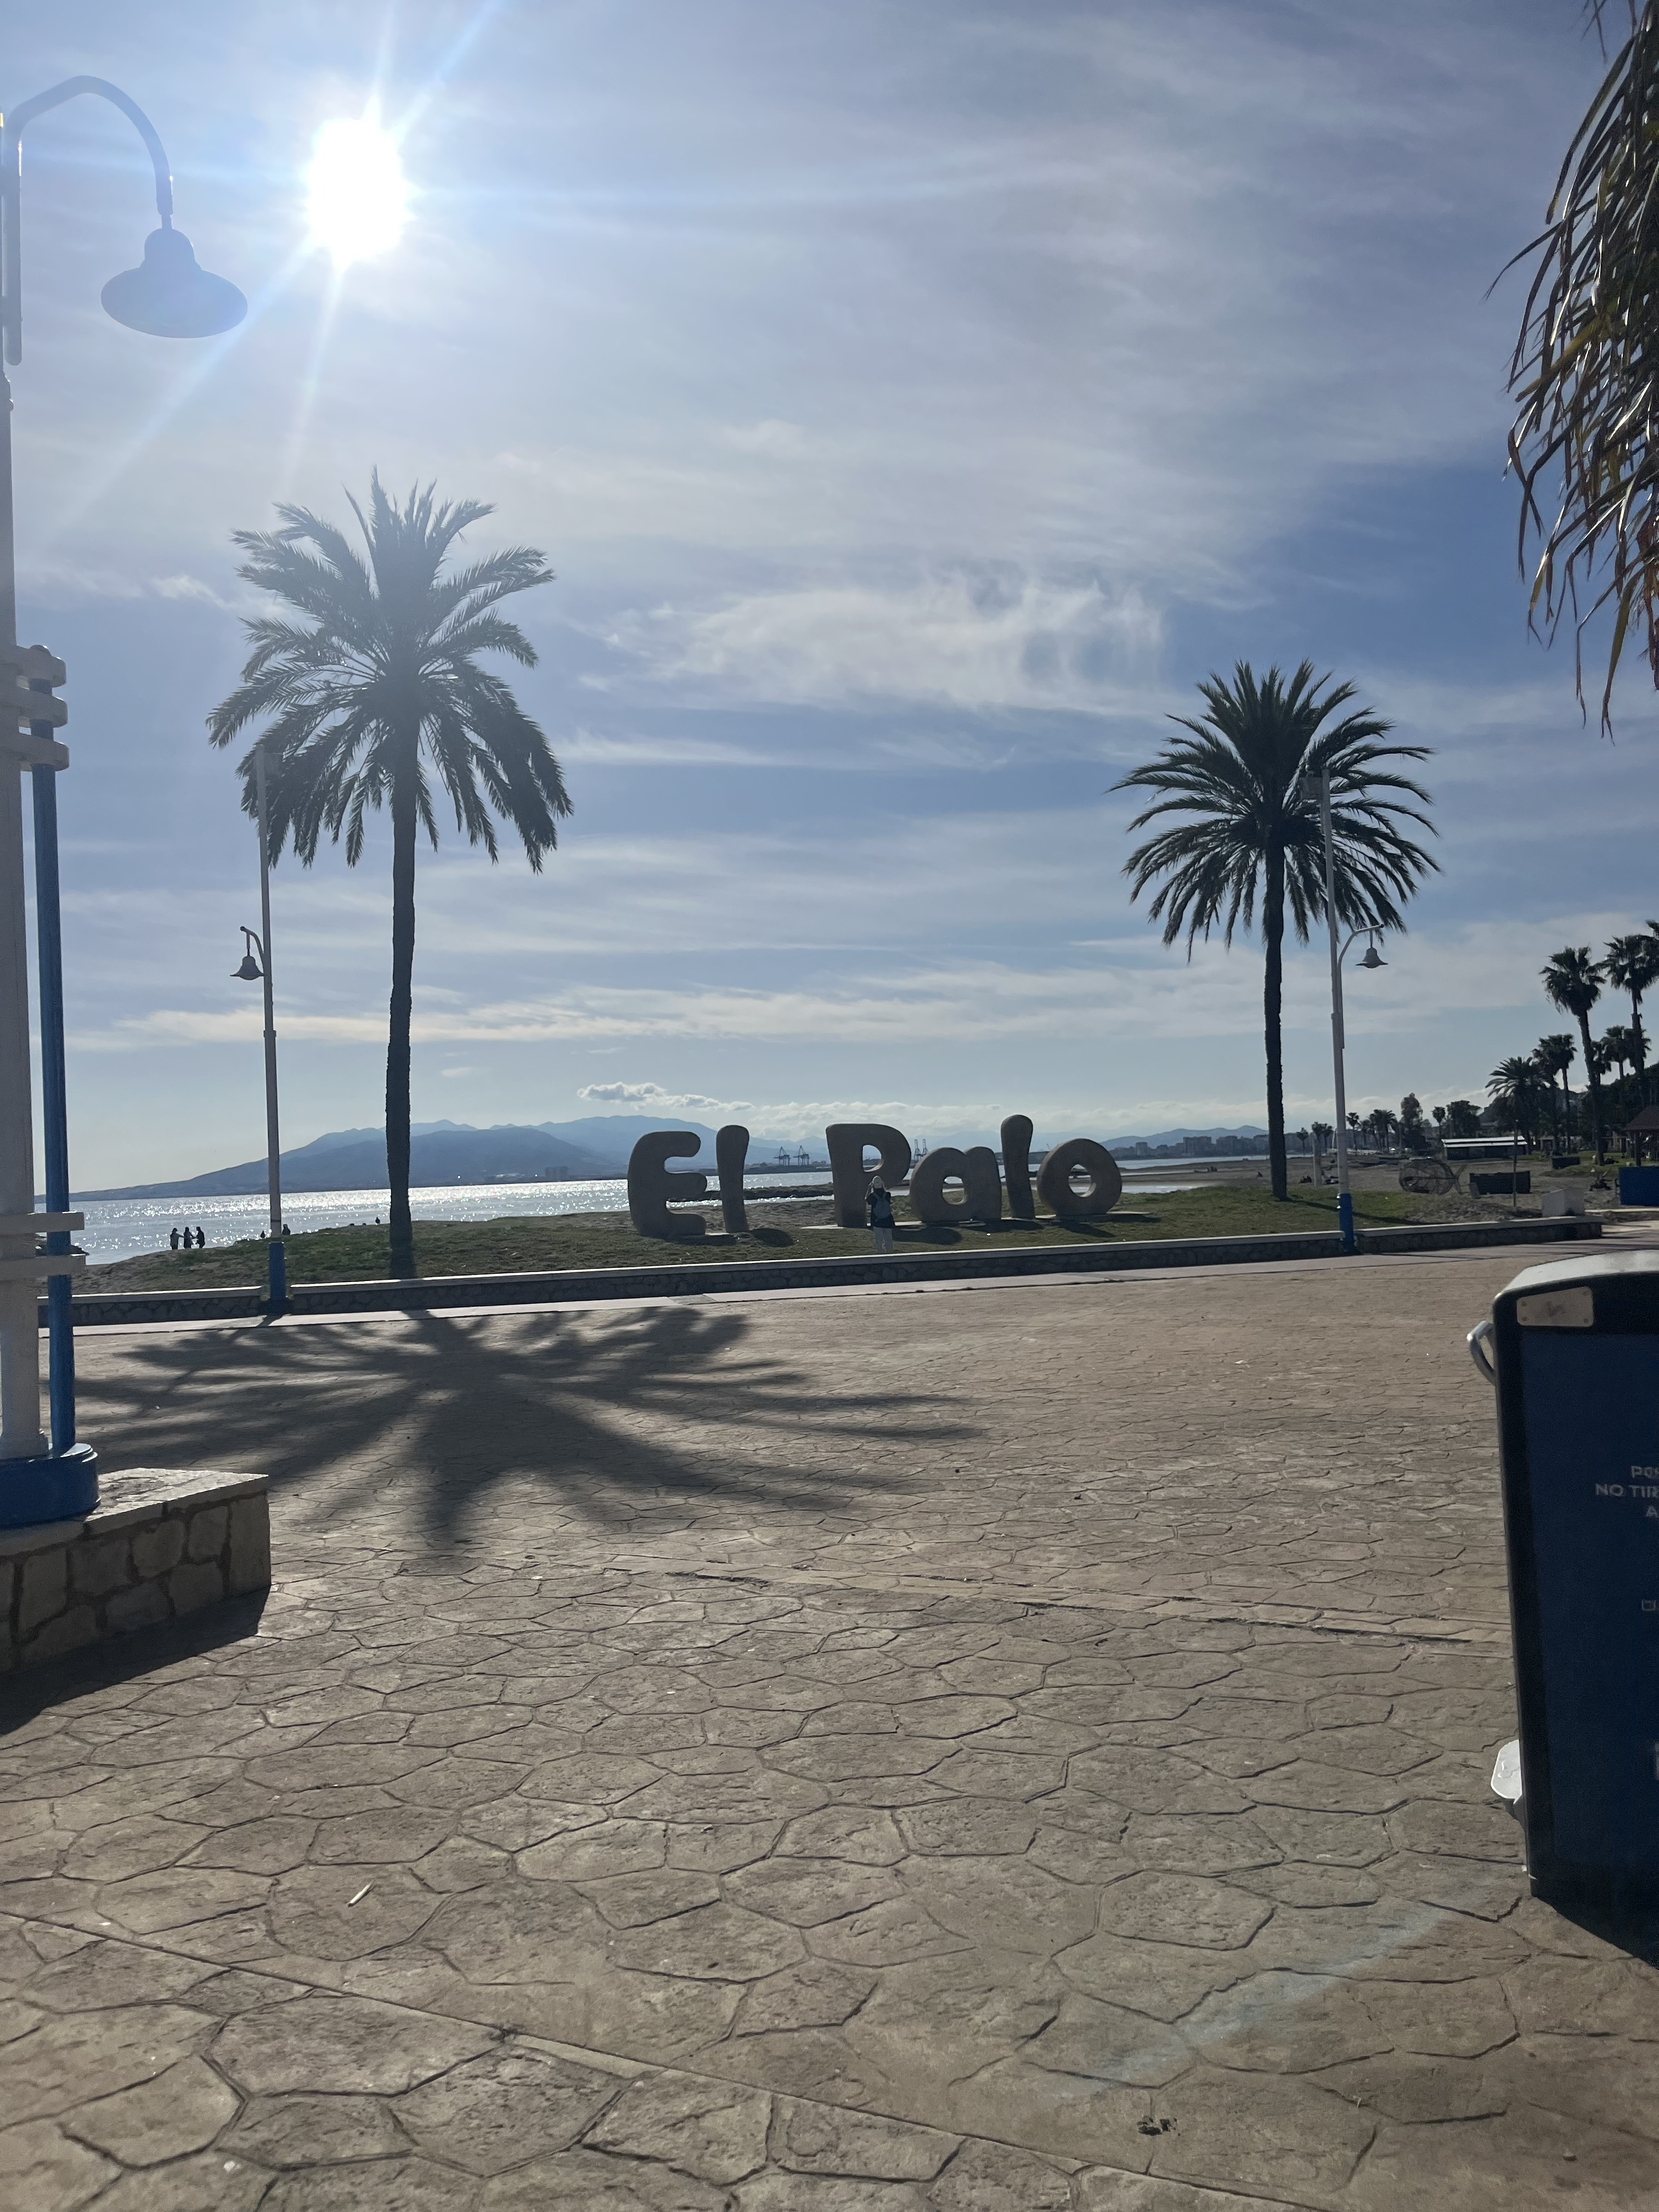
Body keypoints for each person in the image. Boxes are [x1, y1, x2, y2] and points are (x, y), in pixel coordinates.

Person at [867, 1174, 895, 1254]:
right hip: (888, 1220)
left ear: (873, 1185)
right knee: (889, 1240)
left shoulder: (872, 1197)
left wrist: (869, 1189)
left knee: (879, 1240)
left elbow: (867, 1200)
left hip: (877, 1221)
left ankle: (881, 1255)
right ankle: (890, 1254)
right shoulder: (888, 1195)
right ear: (882, 1184)